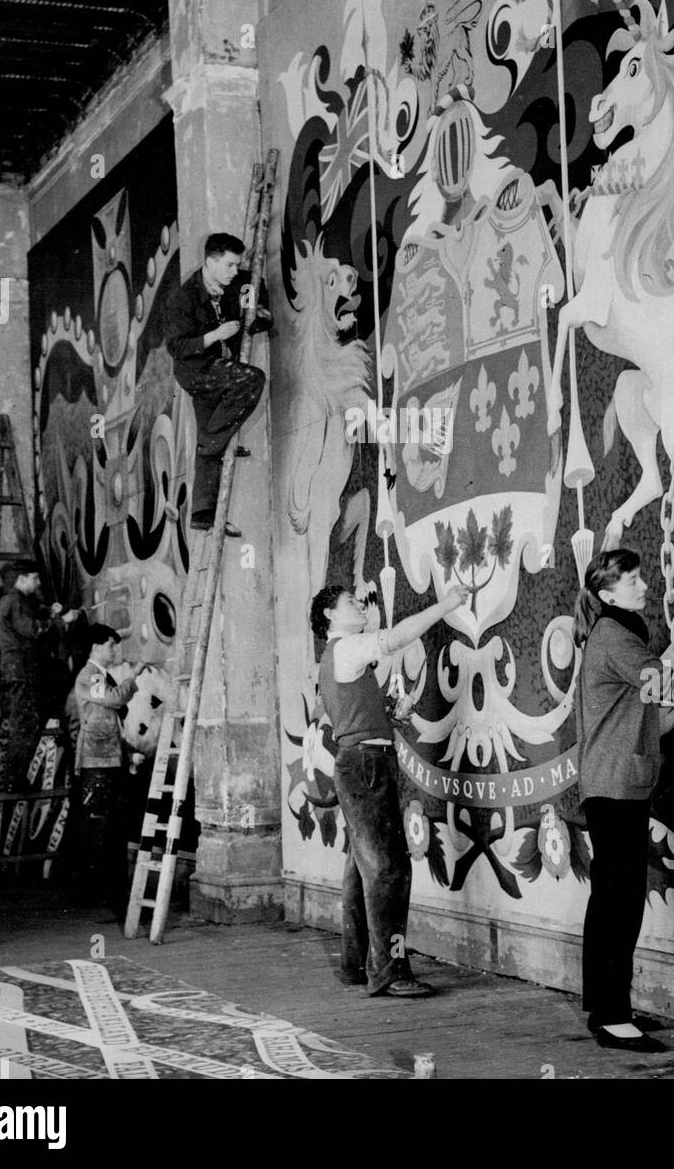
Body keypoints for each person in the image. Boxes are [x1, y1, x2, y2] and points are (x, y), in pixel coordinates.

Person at [572, 547, 674, 1052]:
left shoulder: (613, 636)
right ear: (607, 594)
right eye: (632, 579)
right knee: (619, 902)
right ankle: (612, 1017)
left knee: (612, 899)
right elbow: (671, 685)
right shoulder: (615, 637)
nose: (644, 585)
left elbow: (654, 710)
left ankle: (607, 1009)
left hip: (614, 782)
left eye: (643, 576)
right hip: (616, 785)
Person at [310, 580, 471, 997]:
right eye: (350, 602)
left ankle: (354, 964)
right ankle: (390, 971)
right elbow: (396, 638)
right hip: (367, 765)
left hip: (359, 761)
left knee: (361, 867)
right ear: (330, 614)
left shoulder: (335, 658)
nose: (358, 604)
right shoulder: (346, 647)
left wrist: (382, 716)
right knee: (390, 870)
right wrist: (446, 604)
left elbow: (344, 712)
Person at [165, 232, 272, 534]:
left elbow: (256, 291)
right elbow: (177, 347)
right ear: (210, 262)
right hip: (197, 371)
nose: (234, 271)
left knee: (211, 431)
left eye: (236, 265)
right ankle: (213, 444)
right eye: (228, 265)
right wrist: (217, 335)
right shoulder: (183, 299)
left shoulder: (239, 282)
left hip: (223, 368)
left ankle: (202, 512)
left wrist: (261, 312)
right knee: (252, 379)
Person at [0, 560, 80, 795]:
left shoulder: (20, 601)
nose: (39, 582)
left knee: (29, 724)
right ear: (21, 579)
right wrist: (62, 621)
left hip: (26, 672)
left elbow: (35, 618)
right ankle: (12, 780)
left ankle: (15, 779)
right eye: (35, 578)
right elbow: (33, 629)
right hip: (21, 673)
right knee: (23, 726)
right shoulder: (14, 601)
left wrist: (50, 612)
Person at [71, 623, 138, 915]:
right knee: (100, 831)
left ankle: (111, 896)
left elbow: (111, 722)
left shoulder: (100, 675)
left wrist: (128, 753)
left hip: (108, 760)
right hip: (97, 764)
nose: (116, 650)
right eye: (112, 645)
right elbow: (113, 700)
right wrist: (133, 679)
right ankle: (98, 897)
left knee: (110, 830)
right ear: (97, 647)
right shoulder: (90, 675)